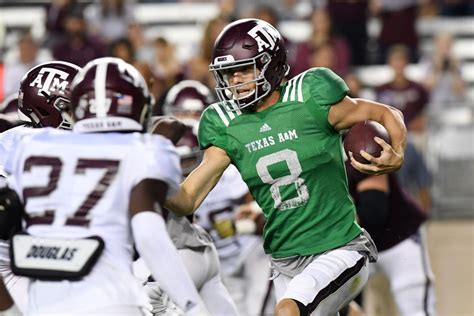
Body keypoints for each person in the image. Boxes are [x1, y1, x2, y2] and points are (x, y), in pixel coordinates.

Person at [164, 18, 407, 316]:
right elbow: (187, 197)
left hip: (339, 247)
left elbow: (385, 112)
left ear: (270, 63)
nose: (235, 80)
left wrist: (397, 152)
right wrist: (149, 182)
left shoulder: (310, 96)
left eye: (243, 69)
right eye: (228, 73)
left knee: (289, 311)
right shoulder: (225, 123)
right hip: (284, 260)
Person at [2, 57, 207, 315]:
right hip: (86, 283)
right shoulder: (134, 148)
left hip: (40, 277)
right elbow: (148, 231)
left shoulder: (18, 144)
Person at [165, 80, 272, 315]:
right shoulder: (162, 171)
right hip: (213, 262)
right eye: (182, 112)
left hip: (246, 252)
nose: (185, 167)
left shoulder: (224, 168)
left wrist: (253, 212)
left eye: (195, 113)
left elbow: (264, 201)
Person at [0, 60, 82, 313]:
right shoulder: (19, 143)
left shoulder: (12, 141)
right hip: (15, 261)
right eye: (71, 107)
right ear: (48, 108)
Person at [345, 153, 436, 315]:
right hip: (357, 245)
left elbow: (374, 210)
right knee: (335, 302)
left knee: (415, 308)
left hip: (397, 238)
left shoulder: (359, 140)